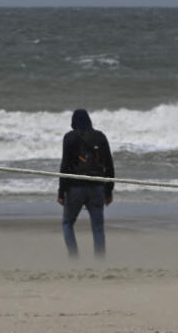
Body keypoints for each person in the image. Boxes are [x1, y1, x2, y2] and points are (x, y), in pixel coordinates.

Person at [58, 108, 115, 258]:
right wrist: (109, 191)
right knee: (98, 228)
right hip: (97, 187)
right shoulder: (100, 137)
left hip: (75, 188)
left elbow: (65, 166)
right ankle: (100, 260)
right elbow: (109, 164)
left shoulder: (69, 138)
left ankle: (74, 258)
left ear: (73, 122)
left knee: (67, 223)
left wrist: (61, 192)